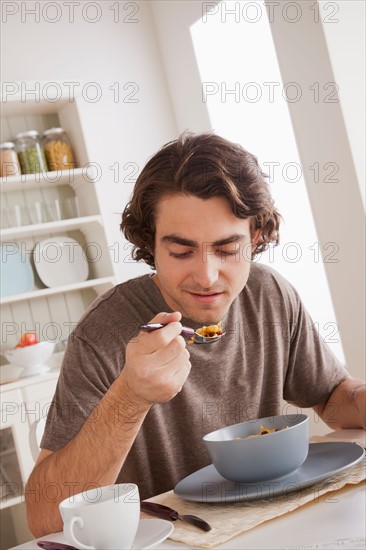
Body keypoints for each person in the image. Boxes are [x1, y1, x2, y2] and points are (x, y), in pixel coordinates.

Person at [26, 132, 365, 537]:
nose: (206, 276)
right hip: (175, 538)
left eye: (226, 249)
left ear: (256, 236)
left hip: (278, 525)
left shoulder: (268, 294)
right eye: (181, 251)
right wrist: (131, 396)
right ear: (149, 243)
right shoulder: (102, 333)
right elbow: (45, 521)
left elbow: (333, 398)